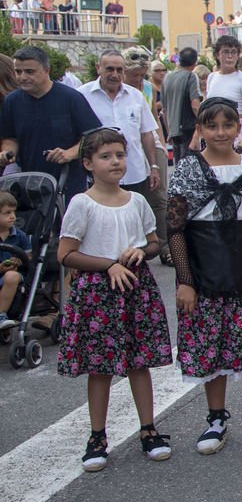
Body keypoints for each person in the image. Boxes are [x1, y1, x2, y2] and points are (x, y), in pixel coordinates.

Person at [167, 98, 242, 454]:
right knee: (210, 349)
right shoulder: (188, 169)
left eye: (227, 125)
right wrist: (186, 281)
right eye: (212, 126)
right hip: (205, 271)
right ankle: (216, 418)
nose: (220, 132)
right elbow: (175, 230)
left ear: (238, 127)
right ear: (200, 129)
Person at [55, 128, 172, 472]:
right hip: (97, 294)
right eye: (105, 156)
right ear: (88, 163)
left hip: (135, 288)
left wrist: (141, 251)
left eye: (120, 155)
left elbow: (154, 242)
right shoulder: (82, 203)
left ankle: (148, 429)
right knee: (100, 367)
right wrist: (108, 265)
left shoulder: (136, 201)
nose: (115, 162)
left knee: (139, 362)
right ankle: (97, 437)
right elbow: (66, 253)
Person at [0, 46, 102, 200]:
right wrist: (8, 152)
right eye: (18, 72)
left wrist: (69, 153)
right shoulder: (12, 101)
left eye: (29, 71)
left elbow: (93, 137)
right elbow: (10, 137)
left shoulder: (71, 98)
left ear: (46, 70)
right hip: (29, 184)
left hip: (68, 184)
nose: (22, 77)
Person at [79, 51, 161, 207]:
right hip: (99, 178)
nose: (115, 75)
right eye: (110, 69)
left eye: (119, 70)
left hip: (134, 173)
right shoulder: (82, 95)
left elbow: (146, 134)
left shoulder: (136, 96)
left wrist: (153, 167)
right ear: (98, 68)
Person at [205, 36, 242, 151]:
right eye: (225, 52)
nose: (230, 56)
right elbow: (206, 108)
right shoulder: (212, 77)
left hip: (234, 130)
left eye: (233, 52)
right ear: (217, 55)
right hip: (214, 131)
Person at [0, 191, 32, 330]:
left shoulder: (20, 236)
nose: (13, 216)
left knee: (11, 276)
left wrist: (19, 261)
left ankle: (1, 315)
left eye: (14, 212)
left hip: (14, 275)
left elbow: (29, 257)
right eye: (7, 213)